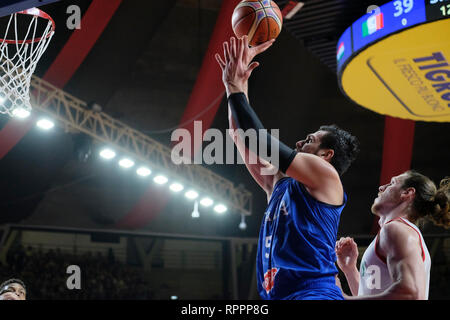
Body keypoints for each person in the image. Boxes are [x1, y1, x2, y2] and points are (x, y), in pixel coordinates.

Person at [215, 36, 359, 300]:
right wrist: (236, 86)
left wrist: (236, 88)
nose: (299, 142)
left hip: (314, 293)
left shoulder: (326, 177)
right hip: (281, 295)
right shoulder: (279, 184)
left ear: (327, 155)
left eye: (310, 140)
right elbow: (242, 137)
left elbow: (255, 136)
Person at [335, 171, 450, 299]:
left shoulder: (396, 229)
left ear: (407, 193)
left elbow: (411, 293)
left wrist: (343, 298)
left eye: (392, 183)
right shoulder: (395, 231)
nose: (381, 188)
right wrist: (350, 270)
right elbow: (371, 295)